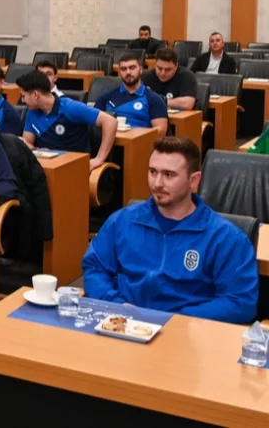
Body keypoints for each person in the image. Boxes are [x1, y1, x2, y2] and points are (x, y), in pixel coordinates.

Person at [82, 136, 258, 322]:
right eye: (153, 172)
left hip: (188, 336)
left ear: (194, 180)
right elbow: (95, 268)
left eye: (169, 175)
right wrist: (117, 305)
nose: (157, 183)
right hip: (124, 325)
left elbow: (240, 302)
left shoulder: (225, 238)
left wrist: (176, 319)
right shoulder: (123, 221)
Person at [16, 70, 116, 169]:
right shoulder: (32, 112)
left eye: (24, 96)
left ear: (35, 95)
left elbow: (110, 121)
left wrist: (99, 158)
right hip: (46, 165)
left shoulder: (70, 108)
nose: (22, 100)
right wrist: (39, 150)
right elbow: (27, 142)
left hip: (73, 167)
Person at [95, 53, 168, 136]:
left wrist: (135, 134)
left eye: (132, 68)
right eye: (123, 69)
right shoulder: (107, 97)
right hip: (109, 141)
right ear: (119, 73)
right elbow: (94, 122)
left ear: (141, 69)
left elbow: (161, 130)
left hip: (139, 143)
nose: (128, 72)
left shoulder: (154, 99)